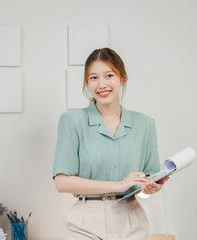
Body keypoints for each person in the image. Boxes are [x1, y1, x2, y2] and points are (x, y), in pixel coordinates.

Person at [53, 48, 169, 240]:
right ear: (87, 82)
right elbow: (61, 182)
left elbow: (148, 179)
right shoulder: (72, 121)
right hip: (85, 223)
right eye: (93, 78)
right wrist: (119, 184)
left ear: (122, 78)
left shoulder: (146, 124)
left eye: (109, 75)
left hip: (132, 222)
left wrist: (152, 187)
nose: (102, 84)